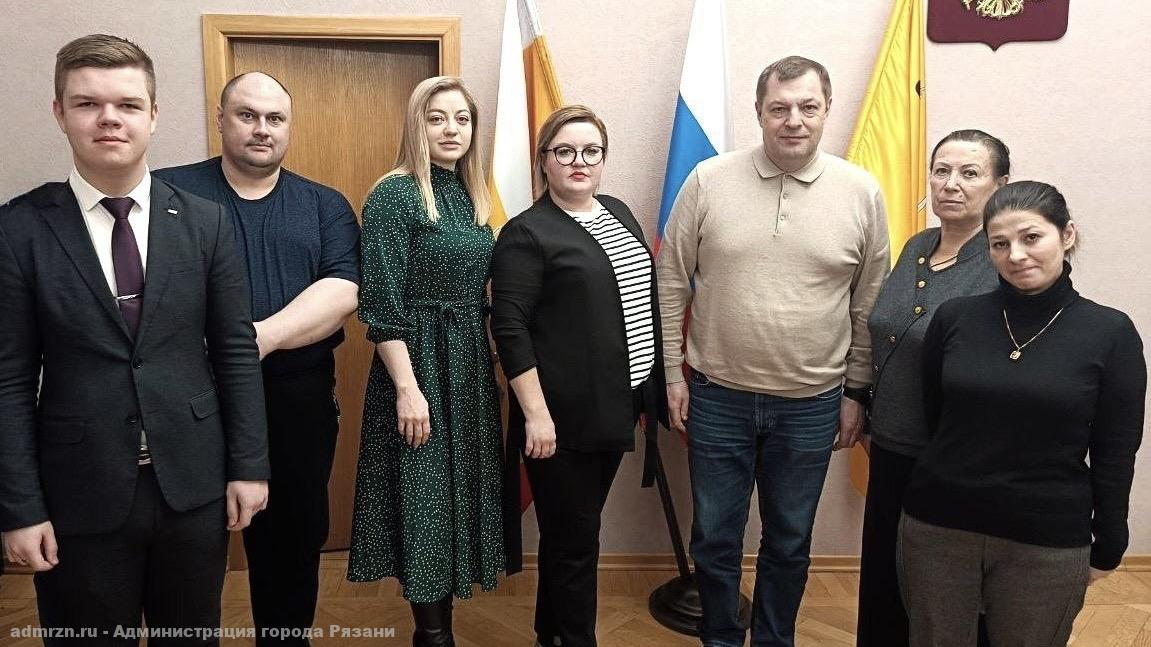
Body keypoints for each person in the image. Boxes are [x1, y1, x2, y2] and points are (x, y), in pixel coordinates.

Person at [0, 34, 268, 643]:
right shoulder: (18, 230)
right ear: (59, 113)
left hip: (193, 487)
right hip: (78, 492)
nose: (109, 118)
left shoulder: (205, 221)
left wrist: (250, 465)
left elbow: (234, 352)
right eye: (87, 103)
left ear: (153, 114)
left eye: (126, 103)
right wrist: (18, 506)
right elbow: (9, 380)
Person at [656, 55, 889, 647]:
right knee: (714, 537)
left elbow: (869, 302)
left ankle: (774, 639)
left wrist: (857, 391)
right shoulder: (708, 180)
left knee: (788, 541)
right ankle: (720, 637)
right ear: (759, 111)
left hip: (813, 402)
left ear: (827, 110)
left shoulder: (861, 192)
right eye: (779, 107)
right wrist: (673, 375)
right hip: (716, 396)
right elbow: (671, 280)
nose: (794, 120)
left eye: (808, 107)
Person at [155, 71, 360, 645]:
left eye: (275, 118)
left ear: (289, 127)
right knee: (187, 545)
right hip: (191, 399)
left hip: (295, 402)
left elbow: (343, 290)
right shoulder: (167, 194)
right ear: (221, 119)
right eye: (247, 115)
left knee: (291, 545)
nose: (261, 129)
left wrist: (253, 340)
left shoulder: (324, 205)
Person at [899, 180, 1146, 647]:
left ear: (1066, 235)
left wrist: (1110, 540)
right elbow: (937, 417)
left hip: (1045, 538)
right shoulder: (954, 318)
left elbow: (1115, 451)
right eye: (999, 243)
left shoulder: (1110, 332)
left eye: (1031, 237)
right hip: (938, 527)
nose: (1015, 255)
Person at [490, 104, 667, 647]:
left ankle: (549, 634)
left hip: (616, 408)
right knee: (576, 543)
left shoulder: (616, 211)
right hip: (560, 420)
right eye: (564, 151)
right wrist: (536, 416)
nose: (579, 161)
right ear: (544, 160)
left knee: (569, 535)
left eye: (591, 151)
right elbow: (510, 328)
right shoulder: (527, 233)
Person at [346, 76, 504, 647]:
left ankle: (443, 628)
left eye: (462, 119)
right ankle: (431, 635)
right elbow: (381, 304)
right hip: (417, 367)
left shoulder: (470, 193)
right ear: (417, 125)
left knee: (453, 495)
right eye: (437, 118)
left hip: (467, 366)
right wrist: (408, 389)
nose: (451, 129)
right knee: (425, 499)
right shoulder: (395, 194)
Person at [856, 129, 1009, 647]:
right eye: (941, 171)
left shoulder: (1003, 260)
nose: (951, 184)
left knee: (945, 594)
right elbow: (886, 332)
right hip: (890, 444)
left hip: (956, 459)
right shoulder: (917, 246)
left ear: (1000, 185)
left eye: (969, 173)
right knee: (884, 581)